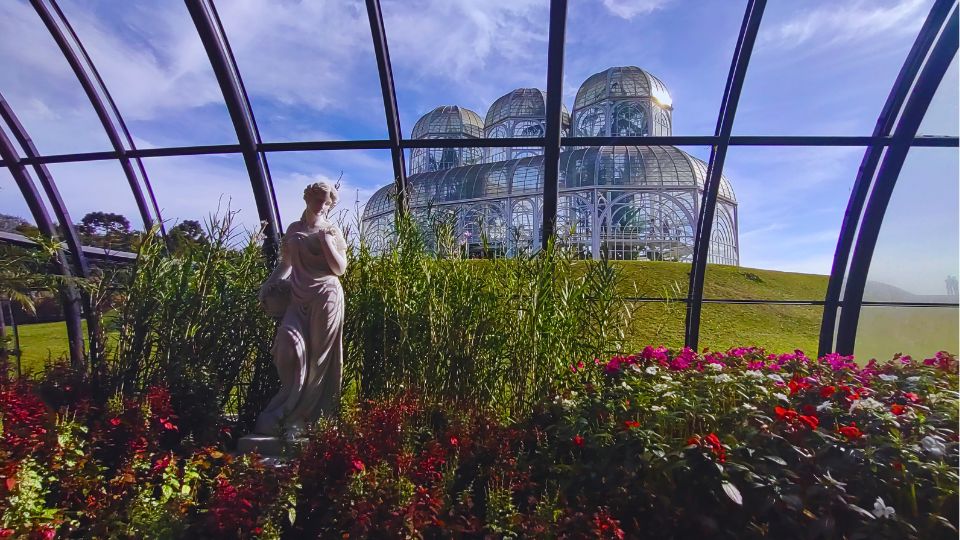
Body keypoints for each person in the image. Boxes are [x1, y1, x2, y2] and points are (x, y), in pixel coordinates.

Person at [252, 181, 348, 437]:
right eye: (319, 199)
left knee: (319, 358)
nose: (323, 206)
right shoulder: (294, 230)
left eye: (327, 202)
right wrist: (270, 283)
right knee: (286, 347)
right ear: (308, 198)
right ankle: (288, 400)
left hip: (327, 296)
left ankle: (304, 417)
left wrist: (327, 243)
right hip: (298, 296)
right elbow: (286, 265)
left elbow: (340, 269)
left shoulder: (332, 231)